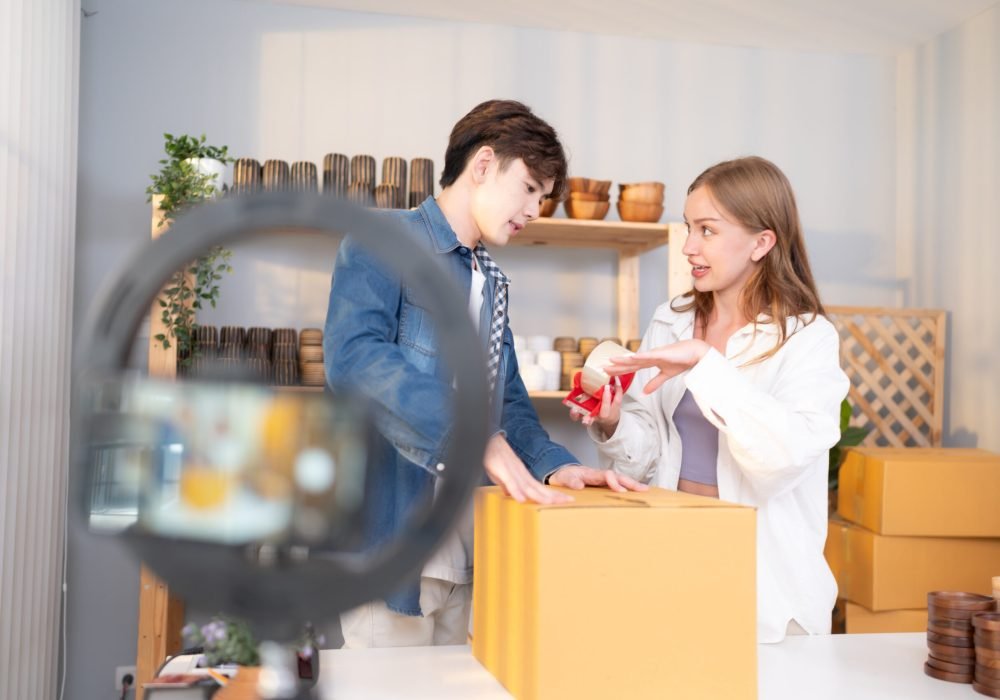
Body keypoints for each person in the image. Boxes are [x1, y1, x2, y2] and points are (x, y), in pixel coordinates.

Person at [324, 99, 645, 649]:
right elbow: (355, 360)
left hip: (474, 551)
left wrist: (556, 467)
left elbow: (511, 403)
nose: (535, 209)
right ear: (483, 164)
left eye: (543, 198)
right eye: (529, 188)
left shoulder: (489, 279)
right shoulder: (384, 243)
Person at [574, 156, 849, 643]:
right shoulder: (671, 319)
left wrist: (706, 363)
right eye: (687, 228)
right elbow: (650, 458)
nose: (689, 247)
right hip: (673, 560)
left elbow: (781, 459)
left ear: (762, 242)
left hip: (763, 583)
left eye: (707, 230)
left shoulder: (808, 338)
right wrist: (615, 419)